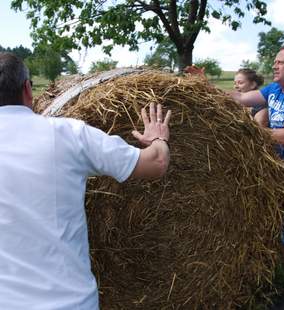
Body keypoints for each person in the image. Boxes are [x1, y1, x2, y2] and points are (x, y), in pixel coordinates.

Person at [0, 52, 171, 310]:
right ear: (27, 89)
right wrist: (158, 138)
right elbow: (156, 163)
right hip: (70, 303)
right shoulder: (69, 134)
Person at [231, 45, 284, 310]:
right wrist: (201, 89)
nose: (274, 66)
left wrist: (251, 132)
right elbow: (240, 99)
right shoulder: (274, 90)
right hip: (281, 169)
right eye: (274, 62)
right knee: (270, 222)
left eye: (280, 62)